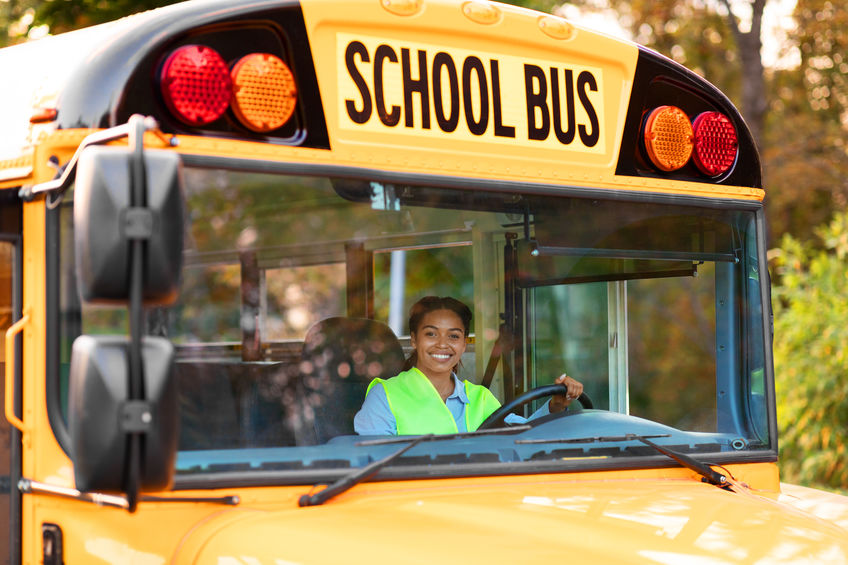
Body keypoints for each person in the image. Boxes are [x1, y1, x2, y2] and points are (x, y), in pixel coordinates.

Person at [354, 296, 583, 435]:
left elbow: (525, 436)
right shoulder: (385, 395)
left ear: (464, 344)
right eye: (431, 334)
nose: (443, 344)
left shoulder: (479, 398)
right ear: (414, 340)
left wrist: (555, 406)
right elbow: (372, 466)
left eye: (454, 336)